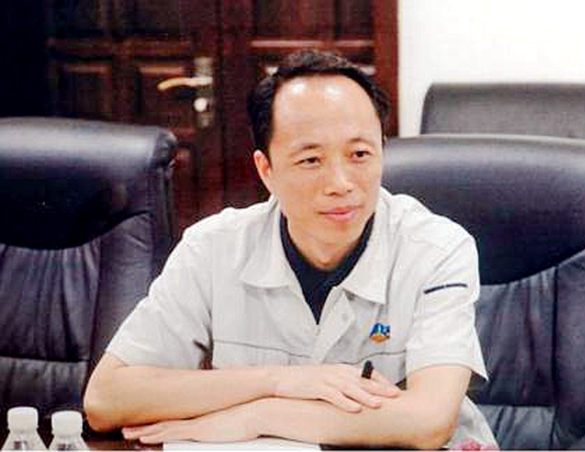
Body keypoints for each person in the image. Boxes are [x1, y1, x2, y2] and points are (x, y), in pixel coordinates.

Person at [83, 49, 497, 449]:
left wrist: (259, 415)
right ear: (267, 170)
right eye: (311, 160)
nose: (341, 183)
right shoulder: (213, 248)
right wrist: (279, 381)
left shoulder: (437, 249)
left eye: (359, 154)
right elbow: (105, 399)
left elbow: (428, 422)